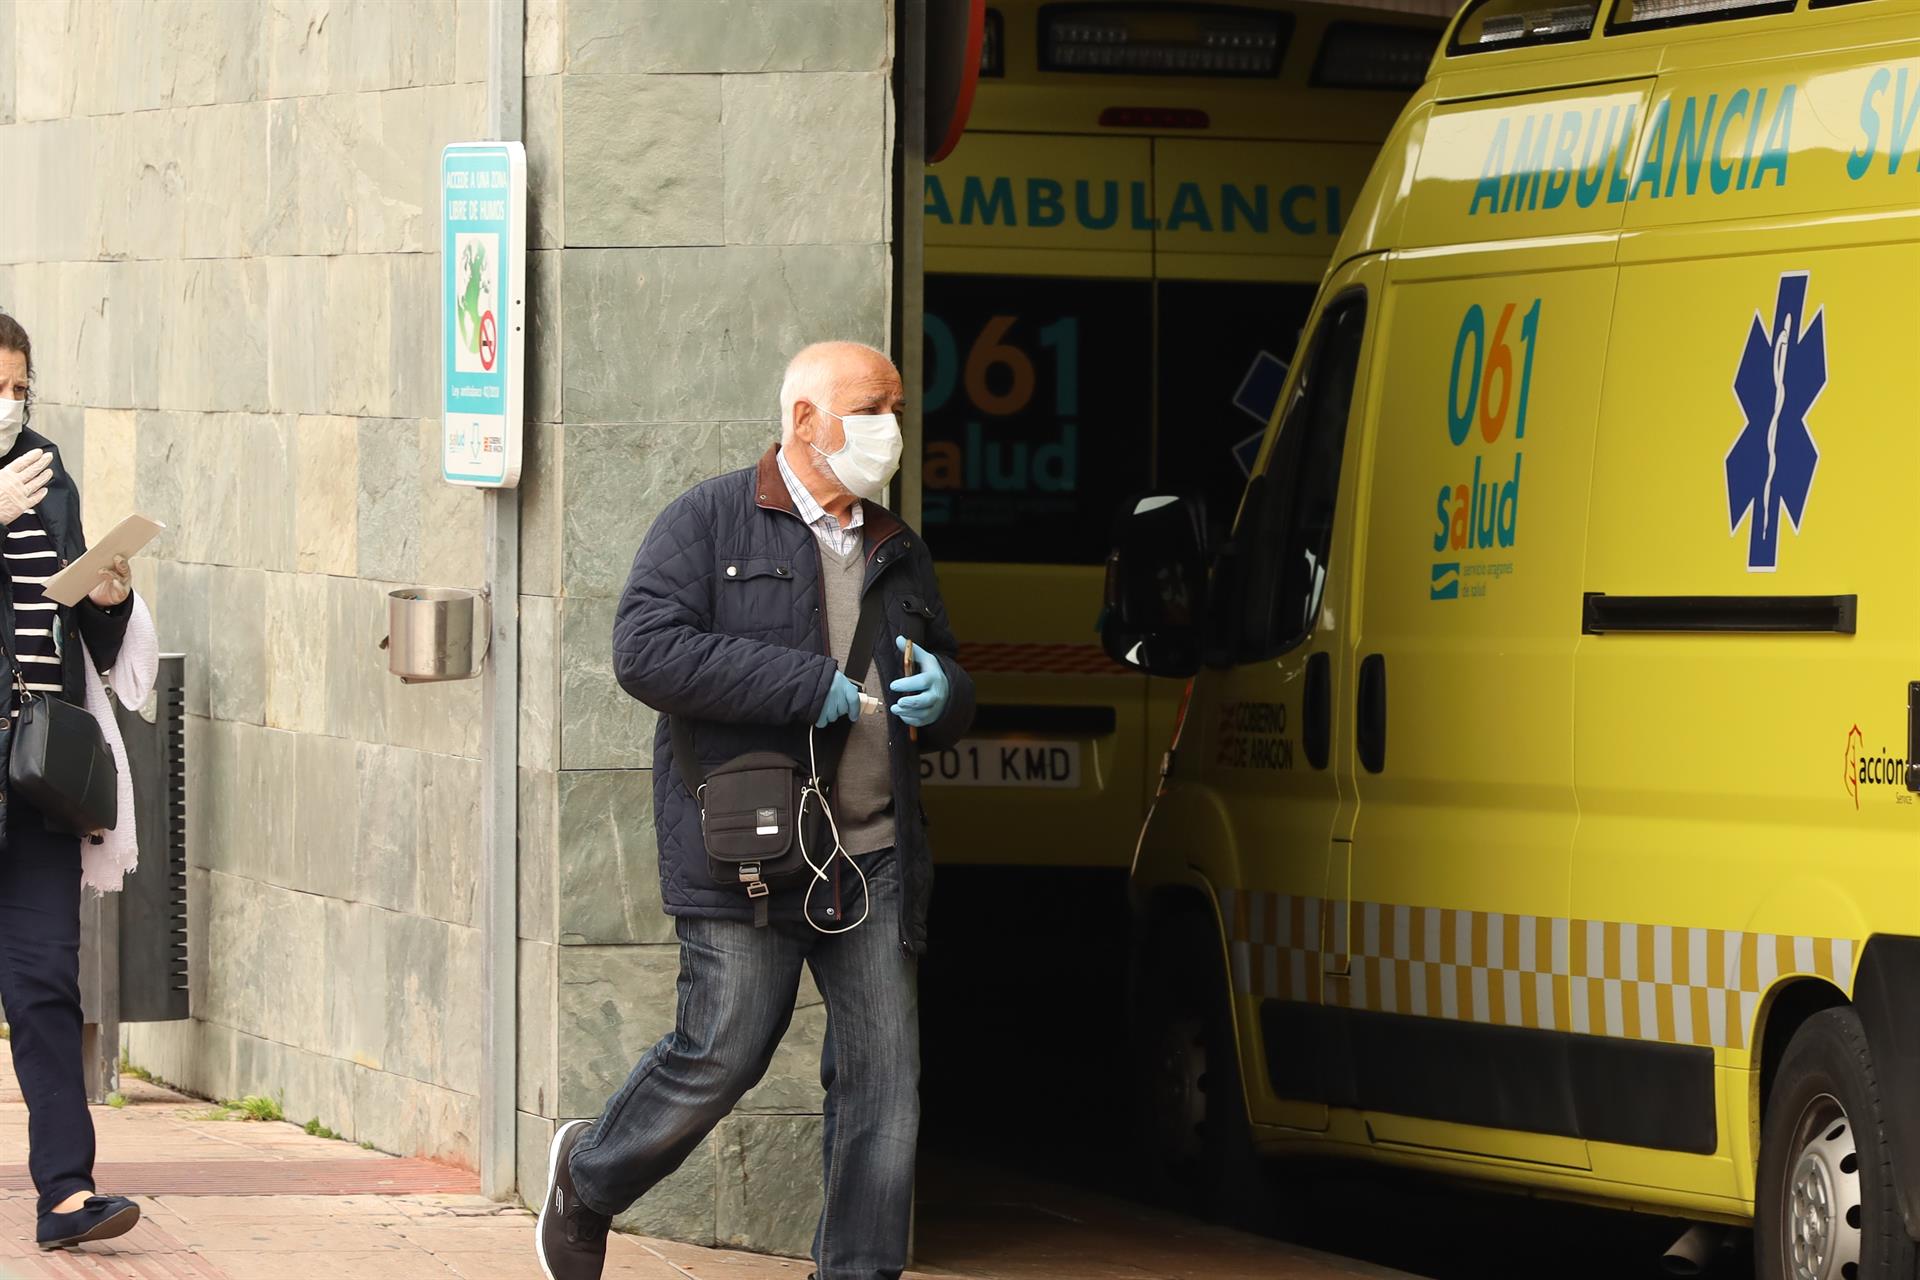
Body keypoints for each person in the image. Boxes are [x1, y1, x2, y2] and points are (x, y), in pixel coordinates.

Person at [536, 341, 974, 1280]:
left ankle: (856, 1271)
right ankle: (591, 1175)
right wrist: (798, 683)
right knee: (719, 1056)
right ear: (806, 420)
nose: (890, 426)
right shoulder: (707, 520)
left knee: (884, 1088)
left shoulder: (897, 547)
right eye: (872, 405)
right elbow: (644, 652)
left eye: (897, 405)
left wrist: (953, 694)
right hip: (752, 850)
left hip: (874, 856)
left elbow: (941, 667)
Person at [0, 311, 147, 1251]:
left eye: (19, 387)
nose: (9, 406)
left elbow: (79, 635)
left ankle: (65, 1193)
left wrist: (110, 596)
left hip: (35, 778)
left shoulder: (46, 469)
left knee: (46, 982)